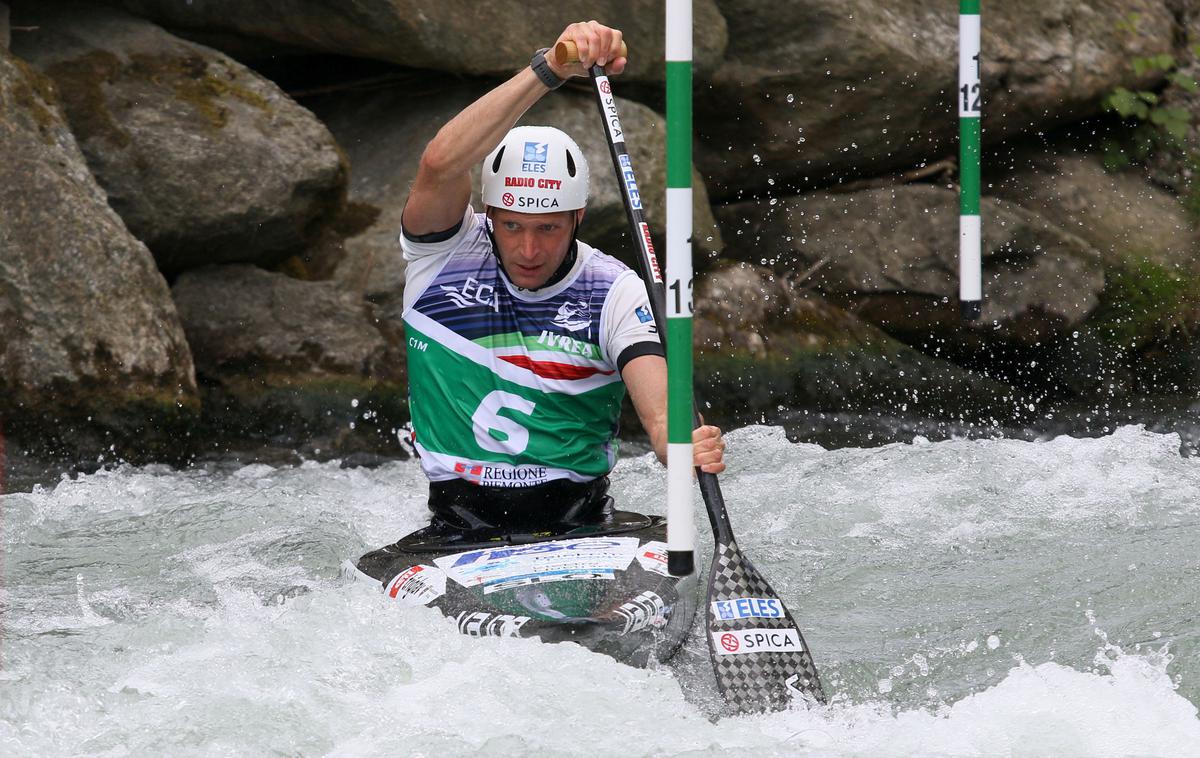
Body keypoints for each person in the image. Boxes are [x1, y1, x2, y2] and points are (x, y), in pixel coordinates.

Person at [400, 20, 724, 534]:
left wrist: (677, 444)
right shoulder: (443, 253)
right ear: (488, 211)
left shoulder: (613, 290)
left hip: (584, 524)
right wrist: (549, 68)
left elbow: (661, 414)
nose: (529, 249)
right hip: (456, 527)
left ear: (577, 218)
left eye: (548, 228)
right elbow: (440, 162)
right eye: (511, 226)